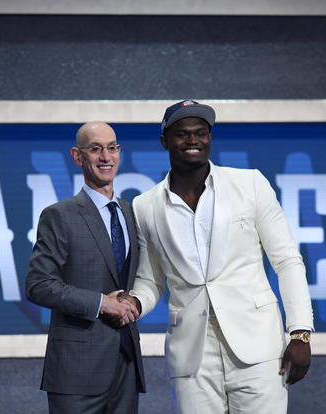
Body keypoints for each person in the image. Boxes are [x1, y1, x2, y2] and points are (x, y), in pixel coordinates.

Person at [124, 100, 314, 413]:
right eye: (182, 134)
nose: (193, 140)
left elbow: (287, 261)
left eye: (201, 133)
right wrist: (133, 303)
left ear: (210, 138)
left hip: (257, 344)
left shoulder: (250, 183)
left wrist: (300, 333)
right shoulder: (145, 206)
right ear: (165, 142)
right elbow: (151, 279)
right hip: (192, 352)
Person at [25, 121, 145, 414]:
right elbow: (38, 285)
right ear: (78, 156)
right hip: (75, 370)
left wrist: (135, 302)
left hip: (125, 363)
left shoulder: (134, 213)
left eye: (112, 147)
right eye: (95, 149)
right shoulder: (59, 216)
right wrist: (101, 303)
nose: (106, 157)